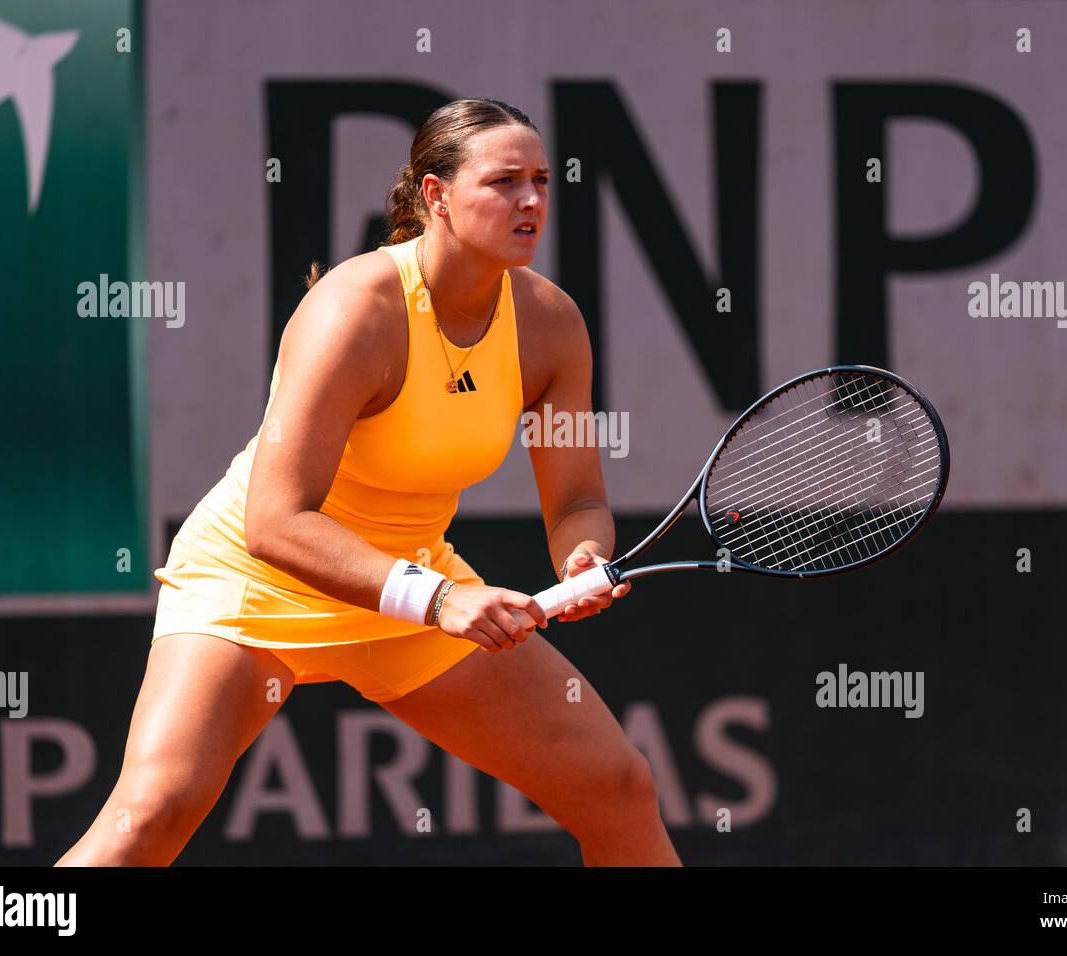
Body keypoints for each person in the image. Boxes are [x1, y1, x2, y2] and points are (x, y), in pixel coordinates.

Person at [56, 98, 681, 866]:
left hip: (410, 583)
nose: (531, 202)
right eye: (504, 182)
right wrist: (441, 599)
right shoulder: (355, 312)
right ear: (436, 196)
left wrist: (581, 556)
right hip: (261, 581)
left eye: (542, 181)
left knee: (616, 790)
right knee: (149, 819)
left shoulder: (550, 324)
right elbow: (276, 523)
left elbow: (578, 498)